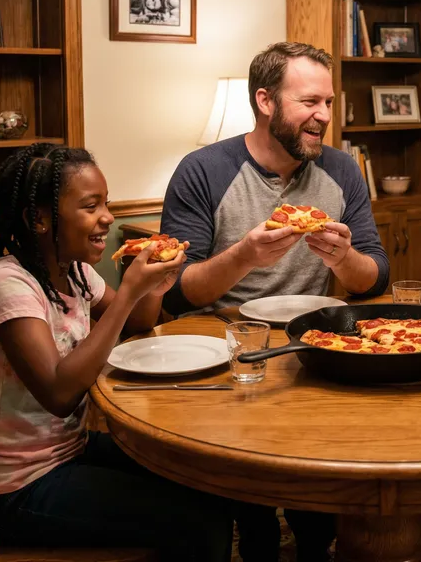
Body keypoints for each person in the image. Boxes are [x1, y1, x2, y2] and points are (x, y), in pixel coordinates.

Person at [0, 143, 271, 561]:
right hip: (19, 484)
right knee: (197, 522)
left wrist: (153, 287)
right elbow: (59, 395)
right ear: (37, 218)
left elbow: (137, 323)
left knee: (209, 480)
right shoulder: (9, 285)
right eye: (90, 206)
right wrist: (129, 291)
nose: (108, 218)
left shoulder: (73, 271)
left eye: (108, 203)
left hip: (70, 449)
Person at [160, 41, 390, 559]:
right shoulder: (202, 171)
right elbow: (175, 293)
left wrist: (341, 260)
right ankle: (257, 530)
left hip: (310, 342)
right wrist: (243, 255)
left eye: (328, 103)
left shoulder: (343, 170)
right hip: (219, 348)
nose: (323, 116)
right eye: (309, 102)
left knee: (327, 482)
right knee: (249, 491)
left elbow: (374, 279)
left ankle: (315, 536)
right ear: (265, 101)